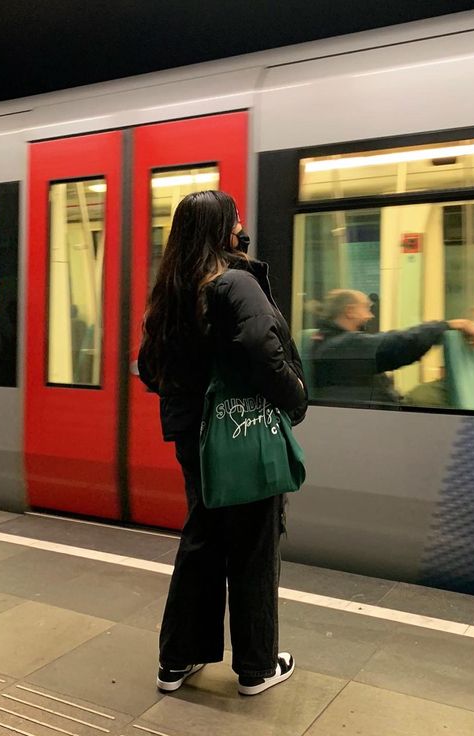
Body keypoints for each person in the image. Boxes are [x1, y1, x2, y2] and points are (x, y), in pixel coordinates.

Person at [139, 191, 306, 697]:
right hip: (239, 430)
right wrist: (294, 397)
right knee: (254, 546)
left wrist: (192, 395)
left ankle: (177, 660)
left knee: (202, 541)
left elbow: (149, 368)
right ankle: (256, 667)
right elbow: (261, 342)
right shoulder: (234, 280)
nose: (242, 227)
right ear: (224, 229)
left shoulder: (172, 286)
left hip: (195, 436)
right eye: (236, 221)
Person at [309, 289, 474, 404]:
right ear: (350, 311)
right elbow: (397, 344)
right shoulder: (338, 346)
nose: (370, 316)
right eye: (366, 309)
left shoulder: (332, 341)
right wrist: (448, 326)